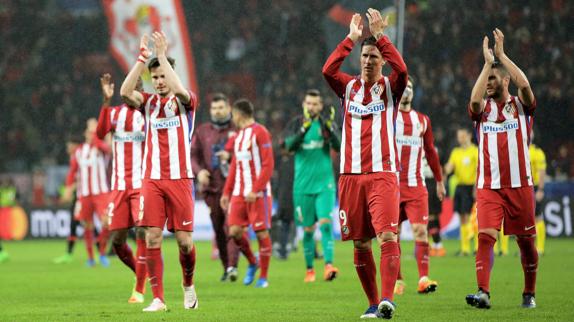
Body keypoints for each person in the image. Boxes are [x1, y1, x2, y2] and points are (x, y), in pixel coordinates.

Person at [322, 9, 407, 319]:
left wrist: (382, 37)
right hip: (350, 176)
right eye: (365, 56)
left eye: (374, 56)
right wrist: (350, 39)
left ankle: (387, 299)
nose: (369, 60)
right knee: (360, 243)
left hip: (383, 174)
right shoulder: (347, 88)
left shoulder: (390, 89)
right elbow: (328, 71)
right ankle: (373, 304)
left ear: (381, 60)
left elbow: (403, 71)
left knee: (387, 236)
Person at [120, 31, 199, 312]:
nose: (159, 81)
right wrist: (142, 59)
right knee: (151, 237)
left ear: (171, 73)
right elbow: (125, 92)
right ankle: (158, 299)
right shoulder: (149, 103)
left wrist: (163, 56)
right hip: (152, 178)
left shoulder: (185, 101)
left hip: (180, 179)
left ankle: (188, 285)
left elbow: (179, 91)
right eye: (154, 78)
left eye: (163, 75)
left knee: (185, 243)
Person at [465, 28, 539, 309]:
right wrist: (486, 65)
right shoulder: (482, 111)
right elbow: (473, 99)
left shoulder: (521, 107)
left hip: (520, 186)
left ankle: (528, 293)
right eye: (487, 79)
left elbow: (526, 85)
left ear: (505, 79)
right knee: (485, 237)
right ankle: (483, 292)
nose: (489, 83)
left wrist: (502, 56)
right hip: (489, 187)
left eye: (494, 78)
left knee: (526, 242)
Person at [96, 73, 148, 303]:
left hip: (141, 185)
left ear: (140, 89)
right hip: (118, 187)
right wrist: (106, 101)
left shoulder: (147, 114)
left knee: (143, 232)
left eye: (135, 86)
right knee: (117, 241)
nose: (130, 90)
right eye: (127, 85)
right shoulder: (115, 113)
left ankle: (139, 290)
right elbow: (99, 133)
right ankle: (142, 273)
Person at [282, 89, 340, 283]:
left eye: (315, 104)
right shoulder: (296, 124)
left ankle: (329, 266)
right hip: (303, 187)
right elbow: (287, 147)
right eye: (309, 103)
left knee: (325, 225)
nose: (312, 107)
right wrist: (303, 129)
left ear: (321, 106)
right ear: (303, 104)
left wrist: (331, 131)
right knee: (308, 230)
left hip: (325, 185)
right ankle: (309, 270)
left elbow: (339, 147)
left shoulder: (326, 124)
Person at [393, 78, 445, 295]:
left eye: (411, 88)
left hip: (416, 186)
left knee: (420, 230)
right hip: (391, 186)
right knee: (391, 235)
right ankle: (397, 279)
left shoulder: (422, 120)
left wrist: (440, 181)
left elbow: (431, 152)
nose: (407, 91)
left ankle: (423, 278)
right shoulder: (388, 117)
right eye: (404, 87)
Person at [220, 99, 274, 289]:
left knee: (261, 233)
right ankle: (253, 261)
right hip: (239, 193)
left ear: (239, 114)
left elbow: (268, 164)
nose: (232, 118)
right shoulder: (238, 136)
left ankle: (263, 277)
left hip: (258, 194)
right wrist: (226, 192)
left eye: (233, 114)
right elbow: (235, 166)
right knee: (234, 231)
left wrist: (256, 189)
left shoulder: (261, 132)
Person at [190, 93, 240, 281]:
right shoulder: (202, 131)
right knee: (218, 229)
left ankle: (233, 267)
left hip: (234, 187)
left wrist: (232, 156)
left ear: (229, 108)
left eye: (221, 107)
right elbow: (193, 155)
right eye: (214, 108)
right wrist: (199, 171)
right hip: (212, 189)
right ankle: (226, 266)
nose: (217, 111)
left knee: (231, 226)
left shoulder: (238, 128)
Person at [62, 119, 112, 267]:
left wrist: (95, 134)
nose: (90, 134)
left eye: (93, 132)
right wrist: (68, 187)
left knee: (106, 222)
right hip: (84, 194)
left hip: (101, 192)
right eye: (88, 132)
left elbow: (108, 149)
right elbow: (72, 171)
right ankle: (91, 258)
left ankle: (102, 253)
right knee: (87, 225)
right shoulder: (79, 152)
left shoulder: (101, 148)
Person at [444, 127, 478, 256]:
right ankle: (465, 249)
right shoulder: (456, 152)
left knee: (474, 218)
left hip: (472, 186)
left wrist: (476, 187)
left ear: (469, 136)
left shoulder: (475, 151)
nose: (460, 139)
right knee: (462, 216)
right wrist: (443, 170)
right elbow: (450, 165)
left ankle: (477, 247)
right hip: (460, 187)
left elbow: (479, 170)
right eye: (459, 136)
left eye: (462, 136)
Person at [53, 136, 84, 264]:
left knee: (85, 222)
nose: (67, 149)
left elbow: (83, 175)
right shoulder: (75, 157)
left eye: (69, 145)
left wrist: (70, 188)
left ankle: (104, 251)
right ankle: (69, 253)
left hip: (86, 194)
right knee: (77, 222)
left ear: (76, 145)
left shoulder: (81, 154)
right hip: (79, 194)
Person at [528, 131, 547, 255]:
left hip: (534, 187)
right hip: (522, 188)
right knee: (526, 220)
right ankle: (528, 248)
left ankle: (540, 248)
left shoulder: (537, 152)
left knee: (537, 217)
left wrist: (540, 189)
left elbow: (541, 172)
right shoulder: (518, 151)